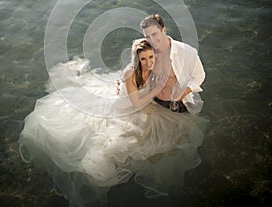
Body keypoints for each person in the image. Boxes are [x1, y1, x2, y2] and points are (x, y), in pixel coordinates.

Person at [19, 35, 208, 206]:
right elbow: (136, 102)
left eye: (151, 57)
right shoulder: (130, 73)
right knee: (118, 139)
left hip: (143, 104)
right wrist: (155, 91)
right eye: (144, 59)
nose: (149, 62)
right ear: (137, 59)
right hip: (128, 107)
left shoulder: (152, 68)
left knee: (171, 133)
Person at [140, 13, 205, 114]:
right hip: (153, 100)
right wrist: (125, 83)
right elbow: (137, 67)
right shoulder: (147, 50)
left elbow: (199, 76)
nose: (151, 40)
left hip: (176, 104)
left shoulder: (186, 52)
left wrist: (184, 93)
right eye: (147, 37)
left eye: (154, 34)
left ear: (164, 30)